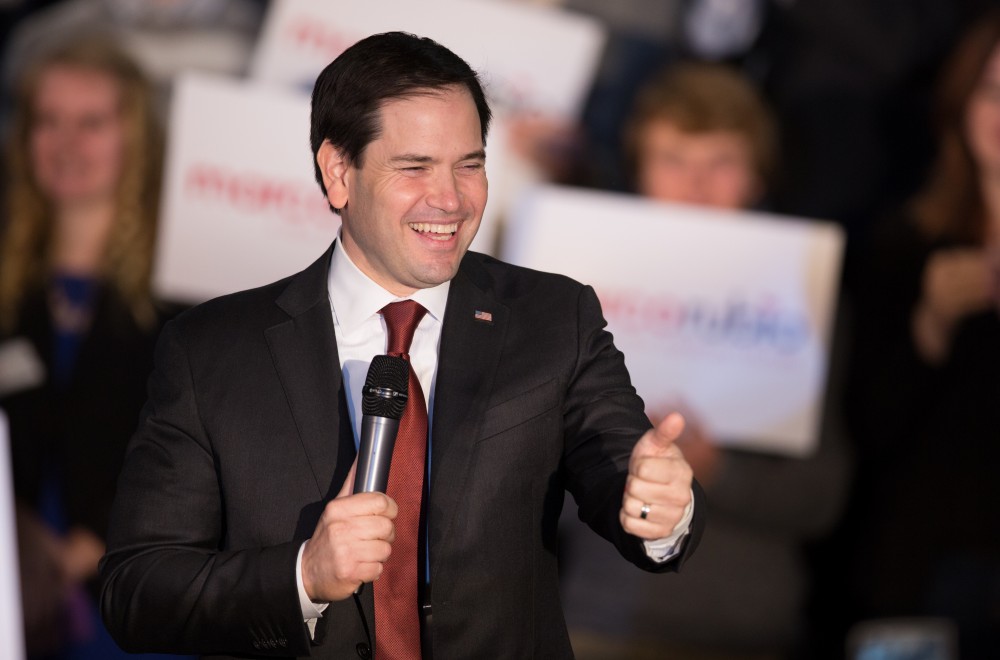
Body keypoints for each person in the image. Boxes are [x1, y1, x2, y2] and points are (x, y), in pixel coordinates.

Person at [98, 31, 705, 659]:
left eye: (469, 164)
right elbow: (136, 590)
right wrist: (303, 575)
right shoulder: (211, 351)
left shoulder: (553, 317)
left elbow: (622, 475)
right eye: (414, 167)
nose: (450, 200)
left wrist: (660, 509)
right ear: (338, 172)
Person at [558, 63, 851, 660]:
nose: (696, 185)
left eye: (721, 162)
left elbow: (823, 496)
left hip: (744, 628)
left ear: (757, 176)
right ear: (639, 172)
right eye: (672, 160)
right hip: (595, 616)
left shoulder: (806, 297)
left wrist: (717, 471)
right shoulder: (577, 287)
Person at [0, 37, 179, 659]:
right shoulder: (10, 286)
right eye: (48, 121)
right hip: (13, 601)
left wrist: (97, 541)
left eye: (92, 123)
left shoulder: (190, 291)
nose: (66, 144)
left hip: (135, 610)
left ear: (137, 139)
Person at [840, 11, 1000, 658]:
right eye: (992, 90)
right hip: (924, 580)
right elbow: (869, 434)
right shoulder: (902, 246)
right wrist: (929, 327)